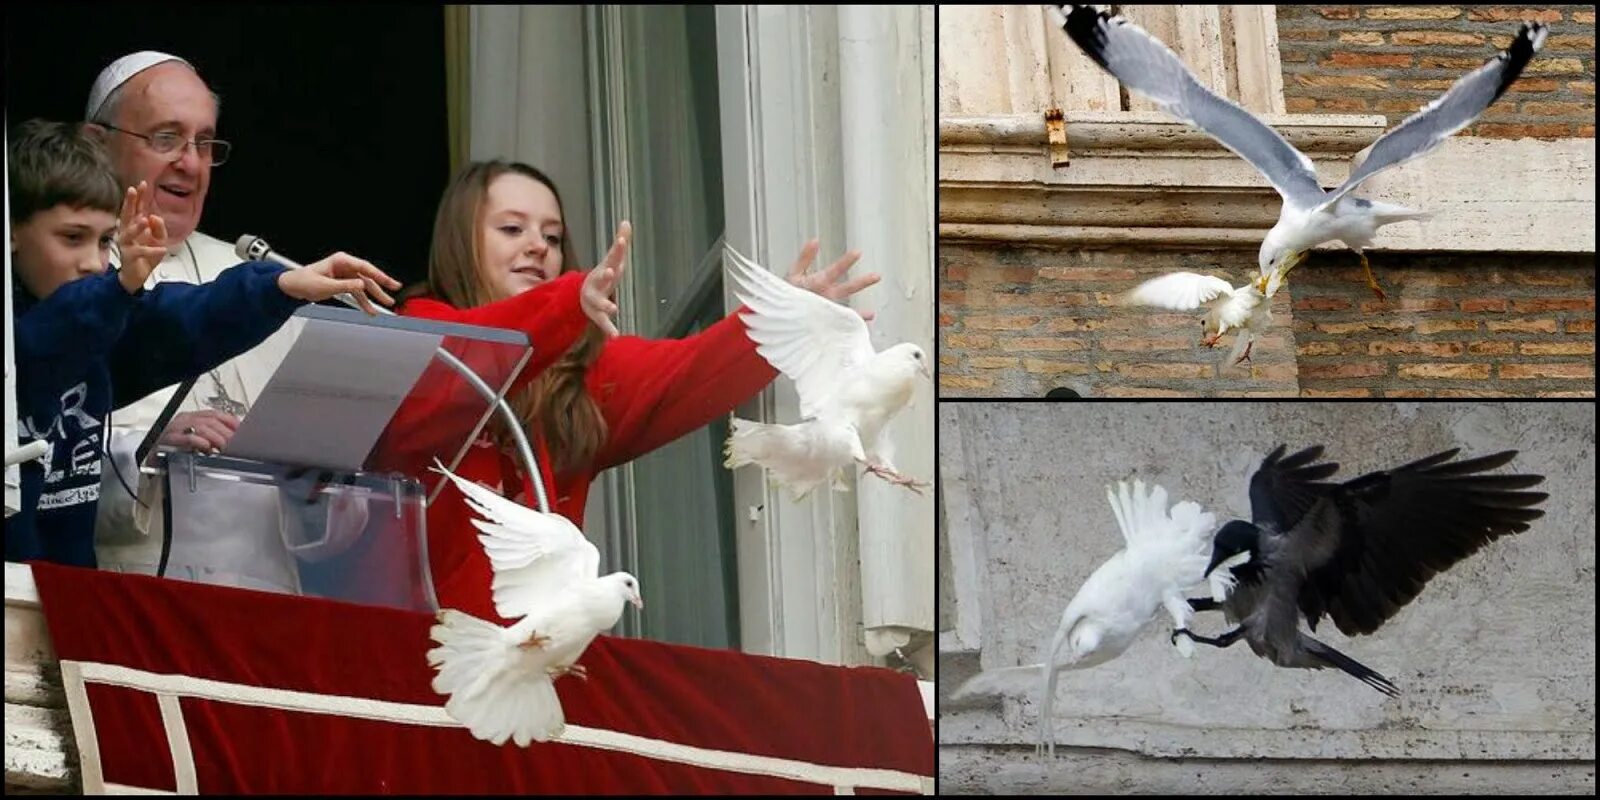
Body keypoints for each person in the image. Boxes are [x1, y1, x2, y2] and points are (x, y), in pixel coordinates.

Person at [391, 159, 878, 622]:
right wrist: (568, 302)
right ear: (461, 243)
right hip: (419, 654)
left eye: (553, 236)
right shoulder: (420, 332)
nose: (539, 246)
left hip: (532, 665)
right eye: (513, 229)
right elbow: (470, 354)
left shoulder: (579, 376)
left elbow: (692, 370)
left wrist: (787, 320)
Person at [5, 119, 399, 567]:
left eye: (105, 242)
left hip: (61, 597)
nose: (93, 263)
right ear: (11, 231)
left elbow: (190, 317)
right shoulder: (52, 325)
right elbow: (41, 346)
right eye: (72, 238)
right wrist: (118, 286)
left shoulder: (106, 321)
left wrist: (284, 286)